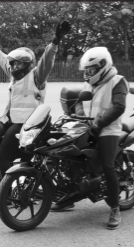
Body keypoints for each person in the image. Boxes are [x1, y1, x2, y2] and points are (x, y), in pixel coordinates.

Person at [0, 21, 72, 209]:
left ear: (26, 64)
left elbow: (47, 60)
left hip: (30, 124)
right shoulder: (14, 75)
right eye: (13, 63)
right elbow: (4, 60)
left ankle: (11, 194)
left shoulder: (36, 76)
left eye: (17, 63)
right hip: (13, 121)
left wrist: (56, 40)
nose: (13, 66)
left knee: (3, 155)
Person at [51, 47, 129, 230]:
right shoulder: (90, 83)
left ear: (102, 66)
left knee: (108, 165)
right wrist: (79, 115)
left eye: (91, 69)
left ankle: (115, 208)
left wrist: (99, 124)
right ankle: (69, 197)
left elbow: (118, 107)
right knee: (69, 156)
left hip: (108, 129)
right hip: (88, 126)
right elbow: (79, 101)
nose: (87, 73)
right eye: (86, 70)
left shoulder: (118, 81)